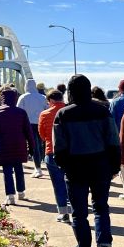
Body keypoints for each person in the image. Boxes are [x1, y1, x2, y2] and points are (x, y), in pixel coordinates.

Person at [53, 74, 121, 247]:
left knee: (79, 213)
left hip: (75, 169)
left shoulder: (63, 114)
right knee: (101, 207)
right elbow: (113, 141)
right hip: (100, 166)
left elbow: (60, 148)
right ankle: (105, 246)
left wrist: (64, 166)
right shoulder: (102, 111)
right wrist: (114, 166)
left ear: (70, 91)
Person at [0, 87, 35, 206]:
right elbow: (28, 131)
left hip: (3, 145)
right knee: (19, 168)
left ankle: (10, 196)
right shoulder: (21, 112)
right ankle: (21, 192)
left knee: (7, 170)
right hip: (19, 144)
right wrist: (31, 146)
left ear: (1, 98)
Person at [38, 89, 71, 222]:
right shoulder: (69, 111)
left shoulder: (45, 114)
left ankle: (63, 212)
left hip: (51, 151)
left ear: (50, 100)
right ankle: (74, 208)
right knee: (71, 182)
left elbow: (42, 135)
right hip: (70, 152)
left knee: (58, 184)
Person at [17, 78, 48, 178]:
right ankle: (41, 163)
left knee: (33, 146)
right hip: (40, 123)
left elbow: (19, 111)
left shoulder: (23, 97)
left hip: (28, 124)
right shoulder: (43, 97)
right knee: (40, 145)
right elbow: (47, 109)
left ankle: (38, 168)